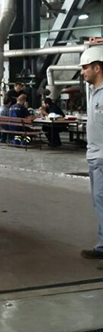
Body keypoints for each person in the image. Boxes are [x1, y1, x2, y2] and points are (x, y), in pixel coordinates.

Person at [79, 46, 103, 262]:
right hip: (95, 157)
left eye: (85, 67)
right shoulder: (94, 93)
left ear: (97, 68)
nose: (82, 72)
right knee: (99, 203)